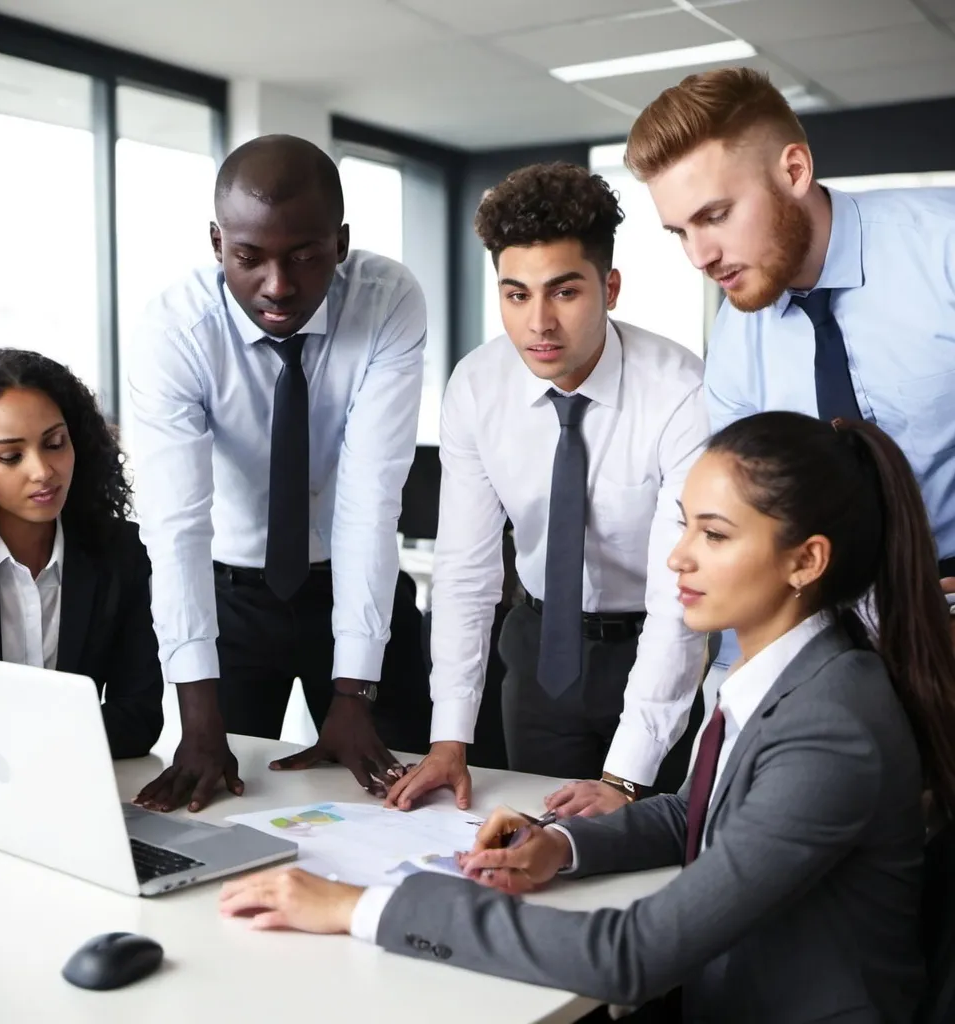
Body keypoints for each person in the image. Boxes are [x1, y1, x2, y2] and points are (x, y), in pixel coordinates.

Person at [219, 410, 955, 1023]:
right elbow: (707, 817)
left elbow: (631, 954)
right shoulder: (797, 668)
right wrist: (561, 844)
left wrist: (363, 908)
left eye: (715, 534)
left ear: (806, 561)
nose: (678, 559)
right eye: (684, 526)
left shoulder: (834, 724)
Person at [386, 163, 708, 818]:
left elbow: (679, 597)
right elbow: (467, 571)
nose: (539, 323)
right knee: (531, 840)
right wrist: (449, 737)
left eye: (564, 293)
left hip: (655, 647)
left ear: (609, 287)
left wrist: (624, 780)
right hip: (537, 654)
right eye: (516, 294)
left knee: (650, 849)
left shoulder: (682, 391)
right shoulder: (478, 387)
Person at [128, 134, 432, 814]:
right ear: (216, 243)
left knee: (404, 803)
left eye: (305, 255)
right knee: (227, 804)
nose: (278, 285)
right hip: (230, 602)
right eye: (249, 257)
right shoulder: (175, 331)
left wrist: (354, 691)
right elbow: (175, 527)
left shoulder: (387, 301)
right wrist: (198, 718)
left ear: (341, 241)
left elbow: (369, 500)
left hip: (353, 585)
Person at [622, 65, 955, 678]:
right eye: (680, 233)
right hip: (838, 643)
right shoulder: (734, 340)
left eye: (716, 215)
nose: (700, 256)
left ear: (794, 171)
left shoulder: (942, 246)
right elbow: (742, 527)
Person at [0, 350, 163, 759]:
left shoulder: (119, 552)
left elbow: (139, 718)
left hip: (73, 784)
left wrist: (27, 744)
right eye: (11, 456)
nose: (42, 471)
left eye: (55, 444)